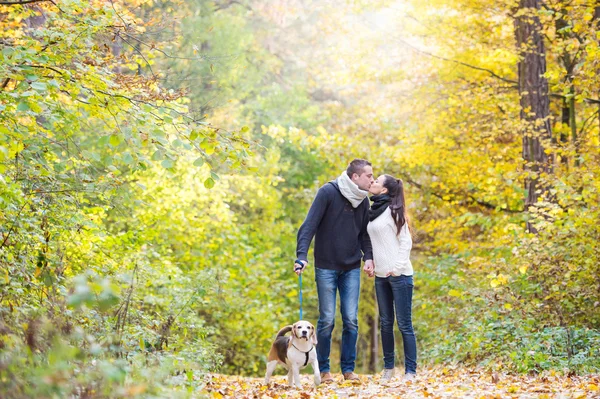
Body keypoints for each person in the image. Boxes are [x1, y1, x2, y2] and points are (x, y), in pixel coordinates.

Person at [294, 159, 375, 382]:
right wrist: (302, 256)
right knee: (327, 319)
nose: (372, 179)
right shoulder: (328, 192)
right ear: (355, 177)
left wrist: (368, 257)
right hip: (326, 266)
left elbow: (364, 235)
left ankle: (348, 370)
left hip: (351, 267)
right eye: (369, 175)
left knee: (351, 320)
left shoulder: (363, 201)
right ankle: (324, 370)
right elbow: (308, 225)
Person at [363, 174, 417, 382]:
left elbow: (406, 242)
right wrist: (372, 263)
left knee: (404, 324)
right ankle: (388, 369)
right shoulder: (373, 212)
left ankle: (410, 371)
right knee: (385, 323)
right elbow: (375, 242)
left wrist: (397, 267)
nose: (373, 183)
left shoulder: (394, 212)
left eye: (376, 181)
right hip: (380, 276)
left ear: (384, 190)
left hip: (400, 275)